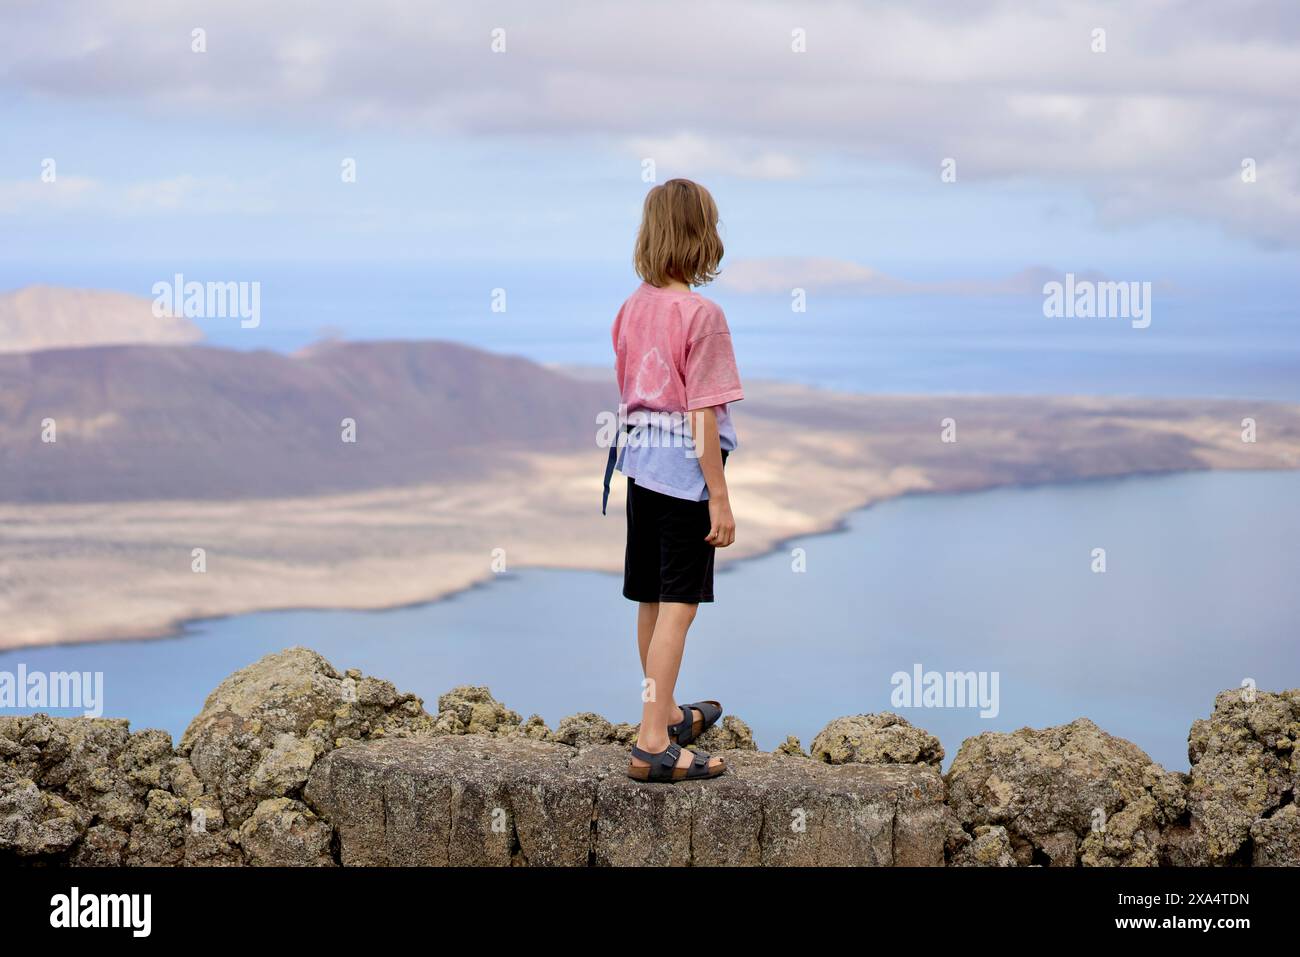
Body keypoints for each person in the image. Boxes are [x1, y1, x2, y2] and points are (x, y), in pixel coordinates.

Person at [604, 178, 744, 783]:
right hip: (685, 478)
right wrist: (720, 496)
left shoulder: (634, 305)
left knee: (652, 600)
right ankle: (653, 740)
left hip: (639, 468)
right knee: (680, 607)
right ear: (701, 236)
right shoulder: (702, 315)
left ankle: (661, 712)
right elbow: (702, 416)